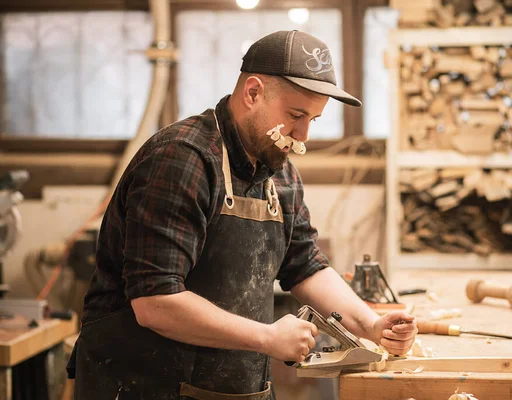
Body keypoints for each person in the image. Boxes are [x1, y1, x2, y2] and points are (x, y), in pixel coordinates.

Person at [69, 30, 417, 400]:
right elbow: (156, 302)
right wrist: (267, 337)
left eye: (312, 120)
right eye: (295, 115)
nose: (302, 136)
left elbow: (304, 263)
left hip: (231, 390)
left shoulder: (279, 173)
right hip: (142, 386)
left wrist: (371, 325)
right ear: (252, 93)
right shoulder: (182, 160)